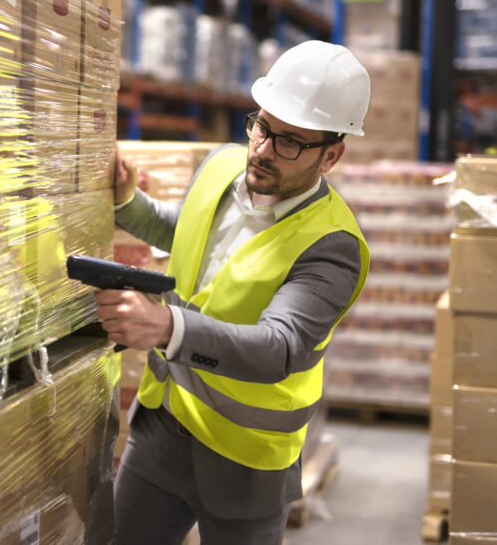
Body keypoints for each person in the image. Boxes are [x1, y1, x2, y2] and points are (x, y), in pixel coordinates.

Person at [96, 40, 372, 545]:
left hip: (245, 459)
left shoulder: (334, 246)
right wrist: (127, 202)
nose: (264, 149)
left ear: (331, 154)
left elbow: (279, 348)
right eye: (262, 125)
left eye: (289, 141)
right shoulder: (224, 165)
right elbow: (186, 231)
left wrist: (165, 326)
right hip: (164, 425)